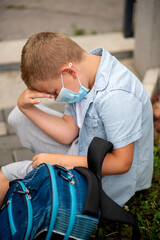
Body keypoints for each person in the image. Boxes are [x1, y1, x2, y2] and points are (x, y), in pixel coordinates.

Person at [0, 32, 153, 207]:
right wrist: (26, 108)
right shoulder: (84, 73)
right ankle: (51, 174)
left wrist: (59, 161)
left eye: (55, 92)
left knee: (7, 174)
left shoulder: (117, 97)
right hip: (83, 148)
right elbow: (68, 132)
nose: (56, 98)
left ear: (69, 72)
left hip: (107, 178)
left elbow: (122, 163)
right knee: (18, 116)